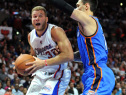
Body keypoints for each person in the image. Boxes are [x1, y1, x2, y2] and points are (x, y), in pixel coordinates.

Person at [49, 0, 115, 94]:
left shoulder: (89, 20)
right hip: (95, 74)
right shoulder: (85, 28)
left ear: (86, 6)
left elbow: (66, 7)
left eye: (78, 5)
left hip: (98, 73)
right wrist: (66, 54)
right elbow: (84, 55)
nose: (75, 8)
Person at [24, 6, 74, 95]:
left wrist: (43, 62)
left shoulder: (55, 31)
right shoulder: (30, 36)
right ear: (31, 19)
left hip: (57, 74)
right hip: (40, 75)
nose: (37, 19)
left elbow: (69, 55)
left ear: (46, 19)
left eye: (40, 16)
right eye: (34, 16)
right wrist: (23, 65)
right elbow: (33, 57)